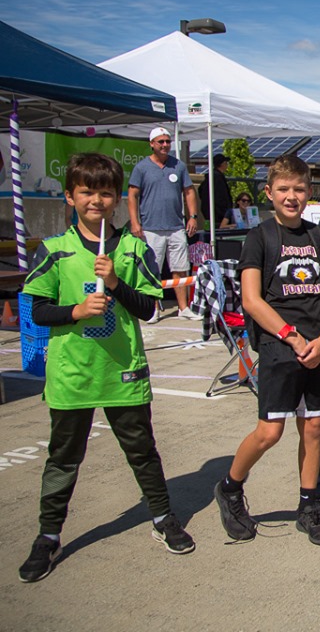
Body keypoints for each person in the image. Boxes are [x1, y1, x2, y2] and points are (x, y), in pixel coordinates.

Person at [19, 153, 194, 583]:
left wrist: (116, 284)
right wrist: (75, 310)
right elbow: (37, 309)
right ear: (70, 196)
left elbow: (150, 308)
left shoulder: (133, 249)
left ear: (117, 199)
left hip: (123, 373)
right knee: (63, 458)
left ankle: (161, 517)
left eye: (104, 192)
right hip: (73, 375)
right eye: (86, 191)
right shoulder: (55, 250)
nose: (95, 200)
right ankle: (48, 535)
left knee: (142, 452)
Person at [213, 154, 320, 545]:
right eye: (283, 189)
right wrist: (292, 336)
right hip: (280, 346)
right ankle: (231, 487)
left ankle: (307, 507)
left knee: (314, 426)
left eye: (300, 189)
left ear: (309, 192)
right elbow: (252, 300)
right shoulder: (259, 237)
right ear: (269, 193)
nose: (292, 196)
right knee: (270, 432)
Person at [127, 127, 202, 323]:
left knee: (180, 268)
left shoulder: (178, 166)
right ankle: (153, 309)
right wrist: (135, 222)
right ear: (152, 144)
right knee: (152, 270)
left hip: (176, 226)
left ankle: (183, 307)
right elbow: (132, 195)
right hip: (151, 228)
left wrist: (192, 216)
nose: (165, 145)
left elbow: (189, 191)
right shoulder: (141, 168)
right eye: (160, 141)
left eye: (167, 141)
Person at [198, 153, 232, 229]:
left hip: (210, 213)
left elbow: (200, 190)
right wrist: (225, 212)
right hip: (218, 216)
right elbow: (221, 197)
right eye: (226, 163)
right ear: (222, 164)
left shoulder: (210, 177)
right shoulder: (217, 178)